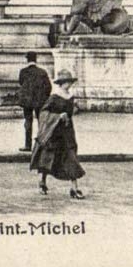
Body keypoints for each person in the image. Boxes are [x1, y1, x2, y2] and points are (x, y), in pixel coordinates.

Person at [30, 69, 86, 198]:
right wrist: (57, 117)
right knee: (47, 158)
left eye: (70, 82)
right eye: (67, 82)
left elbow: (70, 113)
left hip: (67, 132)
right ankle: (42, 182)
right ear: (61, 83)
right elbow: (43, 113)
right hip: (54, 133)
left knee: (71, 158)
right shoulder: (54, 97)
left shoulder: (70, 96)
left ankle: (74, 188)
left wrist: (74, 110)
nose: (69, 85)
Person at [18, 52, 52, 152]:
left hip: (27, 101)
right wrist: (44, 97)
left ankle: (28, 145)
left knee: (28, 121)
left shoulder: (23, 72)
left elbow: (20, 83)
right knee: (41, 122)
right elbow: (48, 87)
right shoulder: (42, 72)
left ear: (27, 60)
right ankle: (41, 144)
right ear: (36, 60)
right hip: (40, 101)